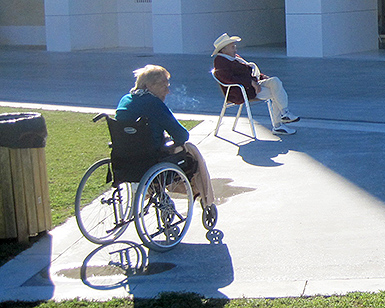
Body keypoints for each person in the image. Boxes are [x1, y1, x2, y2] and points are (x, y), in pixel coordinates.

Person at [115, 64, 215, 211]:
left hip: (125, 157)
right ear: (149, 86)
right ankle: (206, 199)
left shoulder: (125, 100)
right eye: (163, 86)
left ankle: (157, 191)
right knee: (191, 151)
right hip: (151, 158)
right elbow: (182, 135)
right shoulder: (153, 103)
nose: (167, 91)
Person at [211, 33, 299, 135]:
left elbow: (248, 71)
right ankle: (278, 125)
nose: (235, 49)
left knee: (275, 81)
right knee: (275, 93)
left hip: (252, 85)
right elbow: (227, 79)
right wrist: (250, 82)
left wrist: (262, 77)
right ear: (224, 49)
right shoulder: (221, 61)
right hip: (242, 91)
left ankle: (284, 113)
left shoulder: (235, 57)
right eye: (232, 47)